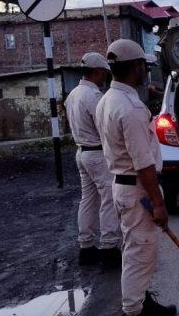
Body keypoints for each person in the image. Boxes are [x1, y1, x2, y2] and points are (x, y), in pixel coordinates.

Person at [95, 39, 177, 316]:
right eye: (144, 65)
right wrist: (158, 202)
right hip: (137, 189)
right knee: (139, 253)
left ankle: (141, 301)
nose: (146, 71)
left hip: (124, 185)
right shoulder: (130, 108)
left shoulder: (107, 100)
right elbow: (143, 163)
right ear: (136, 67)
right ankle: (134, 310)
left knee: (138, 249)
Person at [64, 52, 121, 267]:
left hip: (81, 152)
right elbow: (104, 128)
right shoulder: (94, 96)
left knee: (87, 199)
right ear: (97, 72)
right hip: (97, 153)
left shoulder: (73, 94)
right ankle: (109, 248)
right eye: (104, 73)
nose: (105, 77)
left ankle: (86, 246)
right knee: (108, 199)